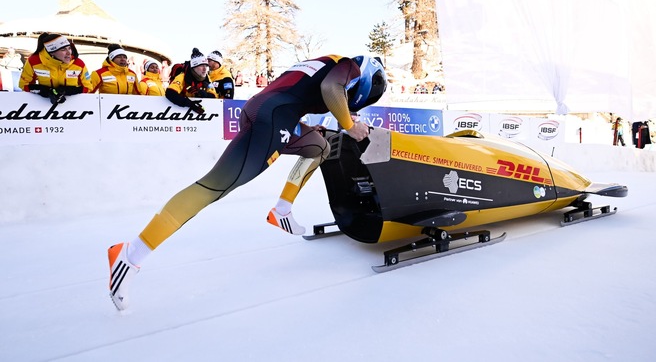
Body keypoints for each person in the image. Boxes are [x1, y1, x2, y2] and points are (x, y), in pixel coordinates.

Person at [106, 55, 386, 310]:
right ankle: (130, 255)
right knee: (214, 186)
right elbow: (330, 89)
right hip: (274, 118)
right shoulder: (349, 65)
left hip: (266, 111)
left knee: (320, 147)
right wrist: (351, 125)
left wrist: (306, 127)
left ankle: (282, 210)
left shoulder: (322, 61)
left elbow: (297, 92)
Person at [18, 33, 93, 103]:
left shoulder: (78, 63)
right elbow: (24, 85)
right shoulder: (34, 61)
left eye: (69, 48)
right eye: (63, 49)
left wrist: (67, 91)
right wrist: (46, 91)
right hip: (42, 104)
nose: (69, 53)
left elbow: (88, 87)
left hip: (72, 105)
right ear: (52, 52)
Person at [164, 48, 218, 114]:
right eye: (201, 66)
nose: (204, 69)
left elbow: (214, 96)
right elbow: (170, 93)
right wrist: (190, 104)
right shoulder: (182, 76)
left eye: (206, 66)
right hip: (180, 111)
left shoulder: (207, 78)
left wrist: (204, 94)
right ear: (194, 67)